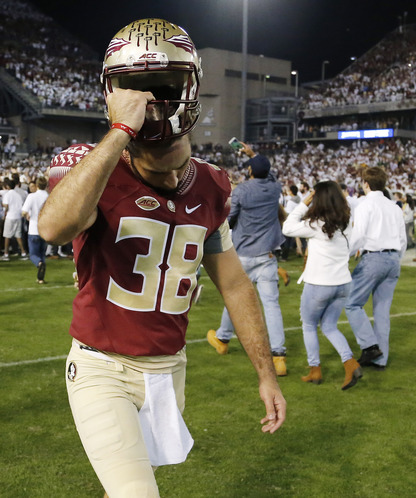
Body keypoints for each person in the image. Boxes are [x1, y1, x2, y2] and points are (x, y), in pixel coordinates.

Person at [37, 19, 285, 498]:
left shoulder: (212, 184)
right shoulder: (93, 168)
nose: (169, 174)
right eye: (152, 153)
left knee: (129, 486)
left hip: (169, 369)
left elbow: (234, 285)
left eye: (175, 151)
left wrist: (266, 375)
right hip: (102, 366)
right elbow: (52, 228)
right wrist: (118, 133)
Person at [207, 143, 288, 376]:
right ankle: (279, 355)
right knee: (271, 306)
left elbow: (229, 218)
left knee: (235, 298)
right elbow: (270, 175)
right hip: (267, 255)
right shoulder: (274, 188)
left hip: (243, 253)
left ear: (250, 172)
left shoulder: (242, 190)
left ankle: (223, 338)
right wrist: (254, 155)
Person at [282, 181, 362, 390]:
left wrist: (303, 204)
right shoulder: (346, 221)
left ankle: (315, 370)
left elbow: (287, 227)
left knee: (309, 325)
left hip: (320, 283)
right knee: (329, 326)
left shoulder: (317, 223)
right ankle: (350, 363)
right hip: (343, 283)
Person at [345, 167, 407, 369]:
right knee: (382, 311)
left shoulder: (365, 205)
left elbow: (359, 236)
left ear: (366, 184)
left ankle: (370, 346)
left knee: (352, 303)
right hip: (392, 259)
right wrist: (396, 259)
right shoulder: (395, 207)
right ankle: (380, 359)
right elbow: (402, 240)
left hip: (373, 258)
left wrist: (343, 256)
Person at [21, 176, 49, 283]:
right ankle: (40, 278)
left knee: (33, 255)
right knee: (42, 254)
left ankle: (39, 264)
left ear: (36, 185)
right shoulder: (49, 197)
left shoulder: (32, 196)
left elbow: (24, 211)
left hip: (34, 228)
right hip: (45, 229)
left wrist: (27, 215)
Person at [0, 178, 27, 261]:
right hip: (18, 216)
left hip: (10, 216)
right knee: (18, 235)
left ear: (7, 186)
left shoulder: (7, 194)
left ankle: (6, 254)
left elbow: (6, 206)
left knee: (7, 236)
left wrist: (4, 213)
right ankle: (23, 253)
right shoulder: (17, 194)